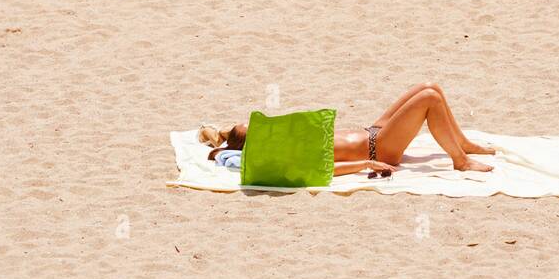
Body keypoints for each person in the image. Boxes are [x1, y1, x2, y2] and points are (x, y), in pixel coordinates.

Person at [199, 83, 496, 177]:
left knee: (430, 87)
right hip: (379, 148)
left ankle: (463, 143)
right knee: (429, 100)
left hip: (373, 131)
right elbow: (325, 168)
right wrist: (366, 163)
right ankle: (460, 160)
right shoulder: (285, 153)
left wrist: (223, 134)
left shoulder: (285, 135)